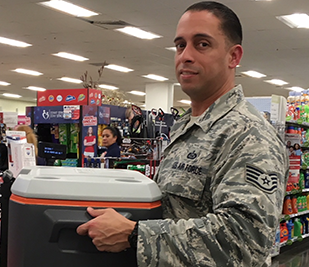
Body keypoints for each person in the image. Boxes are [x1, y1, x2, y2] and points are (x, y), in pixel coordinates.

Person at [77, 2, 289, 267]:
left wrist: (134, 235)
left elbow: (245, 242)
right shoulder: (186, 126)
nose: (185, 55)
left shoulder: (249, 134)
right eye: (180, 45)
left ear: (233, 56)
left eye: (202, 44)